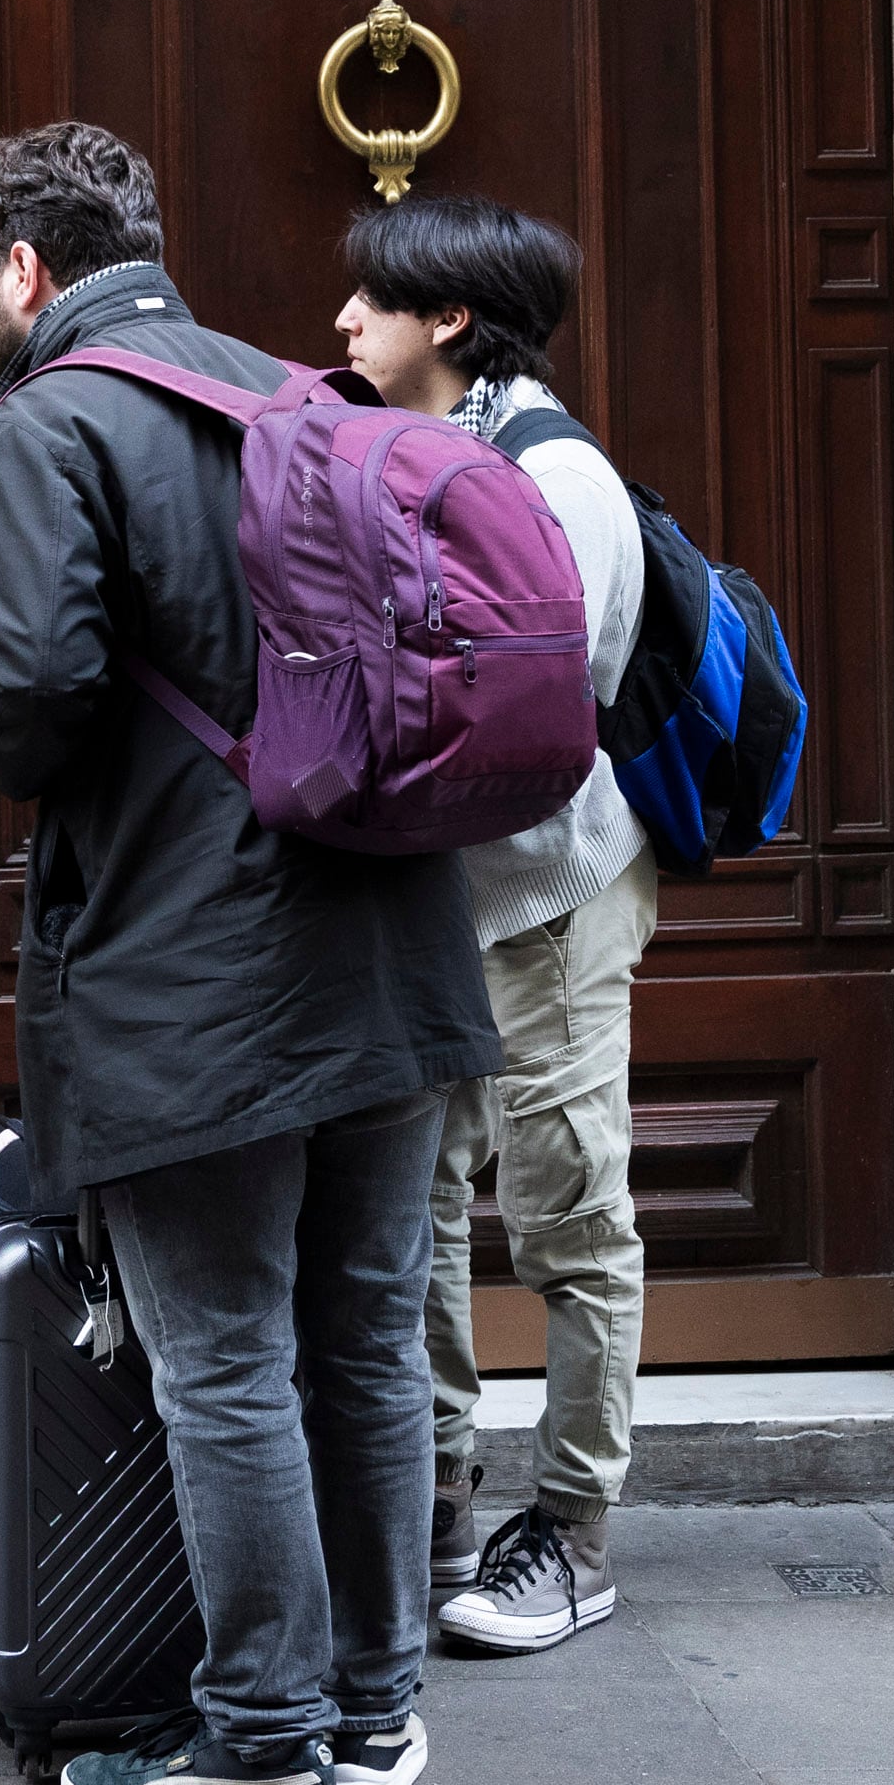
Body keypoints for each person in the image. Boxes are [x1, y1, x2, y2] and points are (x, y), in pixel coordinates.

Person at [0, 121, 499, 1785]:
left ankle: (260, 1746)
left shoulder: (50, 418)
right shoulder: (299, 393)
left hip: (202, 971)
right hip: (392, 943)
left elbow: (31, 689)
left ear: (26, 270)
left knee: (229, 1357)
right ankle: (373, 1702)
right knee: (365, 1335)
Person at [333, 195, 656, 1658]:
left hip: (547, 901)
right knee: (419, 1209)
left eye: (372, 300)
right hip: (435, 899)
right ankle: (435, 1492)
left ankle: (575, 1530)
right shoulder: (410, 451)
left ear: (448, 320)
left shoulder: (559, 481)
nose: (345, 321)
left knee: (570, 1210)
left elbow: (530, 723)